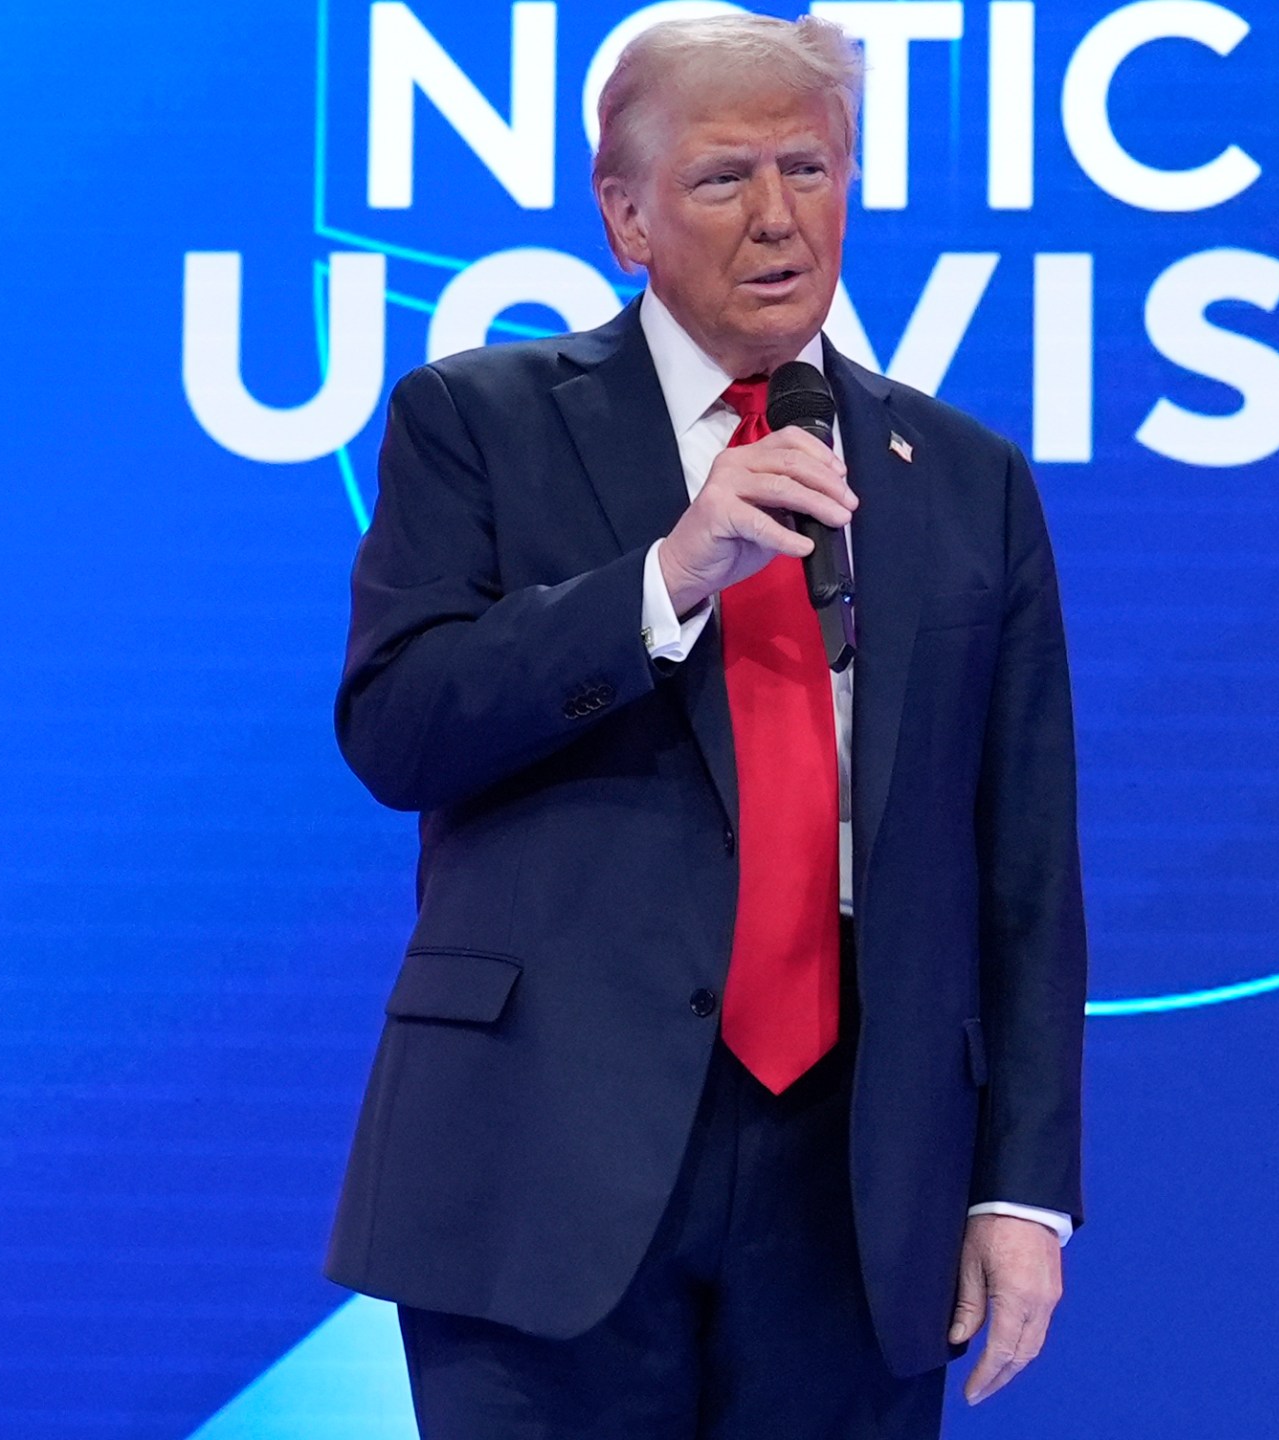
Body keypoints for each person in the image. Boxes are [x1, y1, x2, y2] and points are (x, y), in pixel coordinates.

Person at [324, 14, 1086, 1438]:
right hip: (546, 1151)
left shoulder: (966, 480)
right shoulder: (477, 421)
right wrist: (665, 580)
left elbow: (1027, 871)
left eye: (811, 168)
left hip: (860, 1174)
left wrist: (1021, 1188)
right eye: (727, 178)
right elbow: (398, 725)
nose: (781, 216)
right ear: (626, 215)